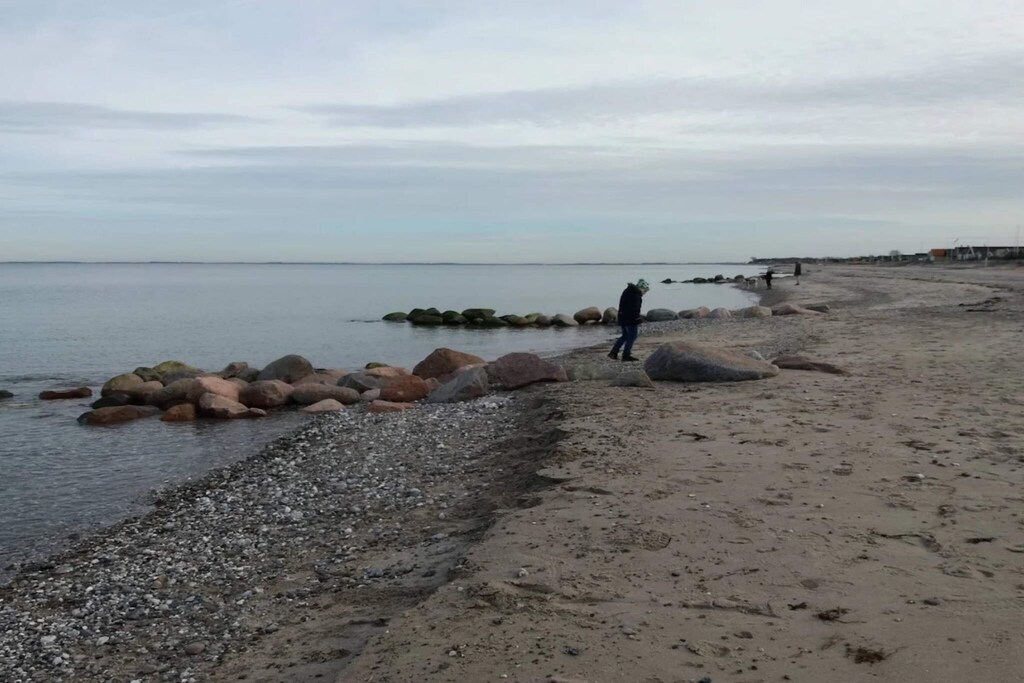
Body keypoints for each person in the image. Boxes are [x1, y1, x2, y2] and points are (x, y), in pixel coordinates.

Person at [609, 278, 649, 362]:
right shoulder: (636, 295)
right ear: (641, 288)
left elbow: (625, 306)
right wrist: (637, 319)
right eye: (645, 290)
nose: (645, 293)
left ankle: (613, 352)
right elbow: (634, 309)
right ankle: (626, 355)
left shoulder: (628, 291)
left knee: (625, 335)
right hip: (630, 318)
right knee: (632, 336)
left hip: (622, 316)